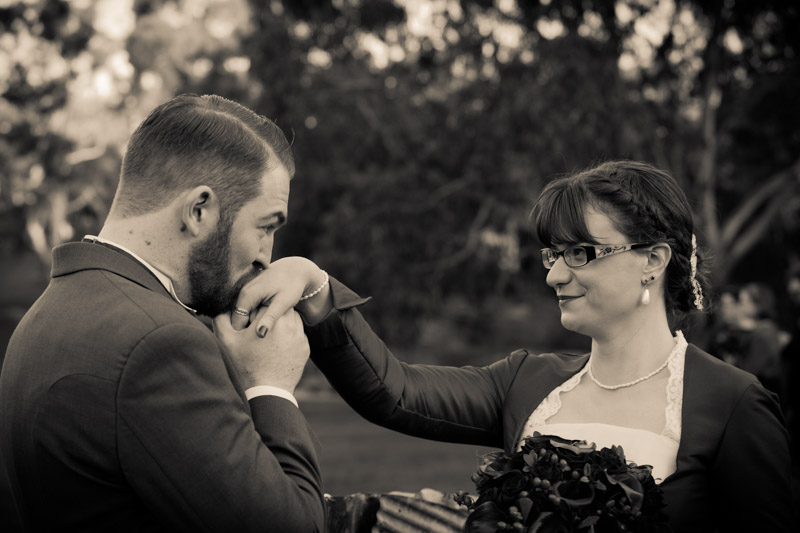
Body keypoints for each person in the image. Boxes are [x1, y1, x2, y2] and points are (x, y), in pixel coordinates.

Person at [235, 160, 793, 532]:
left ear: (653, 259)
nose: (553, 276)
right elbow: (393, 391)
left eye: (580, 253)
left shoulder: (731, 405)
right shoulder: (527, 380)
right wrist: (315, 285)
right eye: (552, 254)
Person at [0, 94, 330, 532]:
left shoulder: (52, 311)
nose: (266, 259)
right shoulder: (158, 344)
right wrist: (271, 387)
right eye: (266, 226)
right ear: (199, 211)